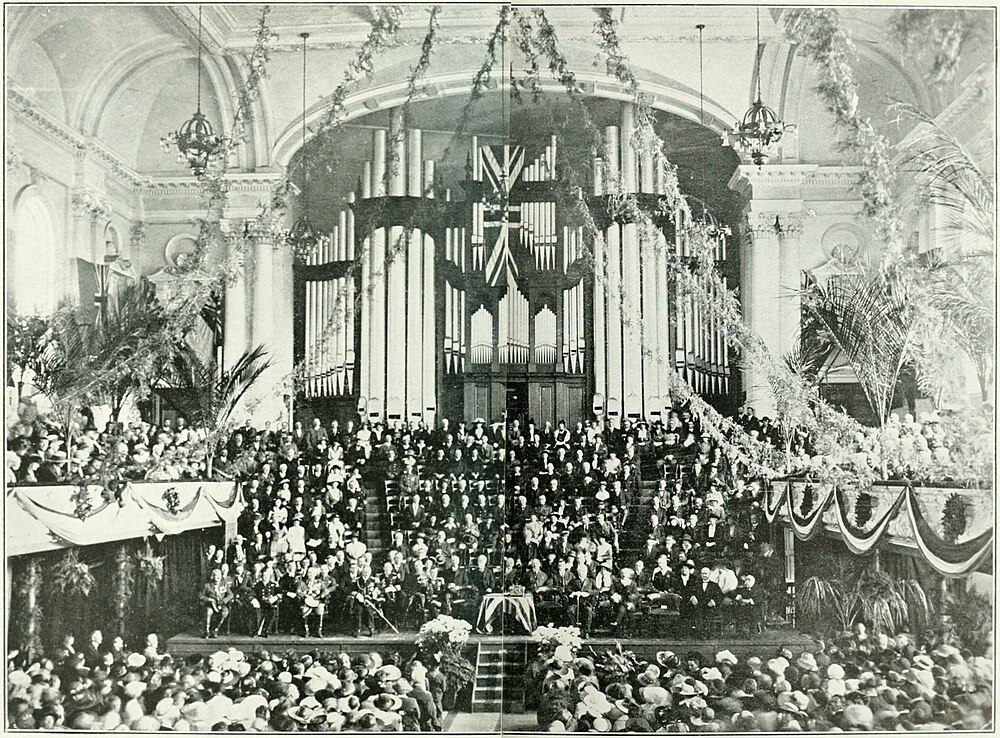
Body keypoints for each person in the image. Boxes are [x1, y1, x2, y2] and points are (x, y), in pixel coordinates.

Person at [200, 568, 233, 638]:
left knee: (225, 612)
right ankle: (207, 631)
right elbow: (200, 596)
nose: (218, 577)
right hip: (210, 605)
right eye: (216, 575)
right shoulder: (207, 585)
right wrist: (209, 599)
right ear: (212, 576)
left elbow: (231, 595)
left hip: (221, 604)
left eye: (219, 576)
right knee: (208, 612)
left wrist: (224, 601)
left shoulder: (224, 584)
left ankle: (215, 629)